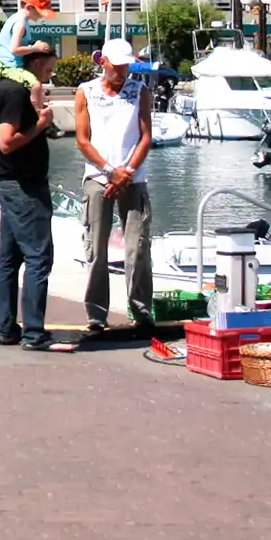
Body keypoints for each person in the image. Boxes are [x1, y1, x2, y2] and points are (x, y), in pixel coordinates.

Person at [76, 37, 155, 338]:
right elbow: (83, 140)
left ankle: (141, 311)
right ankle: (96, 315)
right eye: (117, 66)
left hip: (133, 177)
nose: (122, 72)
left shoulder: (140, 91)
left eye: (126, 66)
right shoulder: (86, 92)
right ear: (103, 62)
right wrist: (110, 171)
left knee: (138, 248)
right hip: (99, 177)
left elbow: (146, 136)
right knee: (96, 247)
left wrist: (127, 172)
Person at [0, 42, 62, 351]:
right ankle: (34, 332)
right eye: (48, 68)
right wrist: (40, 127)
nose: (50, 74)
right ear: (34, 64)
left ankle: (5, 328)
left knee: (9, 257)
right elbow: (5, 141)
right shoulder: (17, 93)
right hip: (24, 185)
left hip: (8, 181)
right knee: (38, 257)